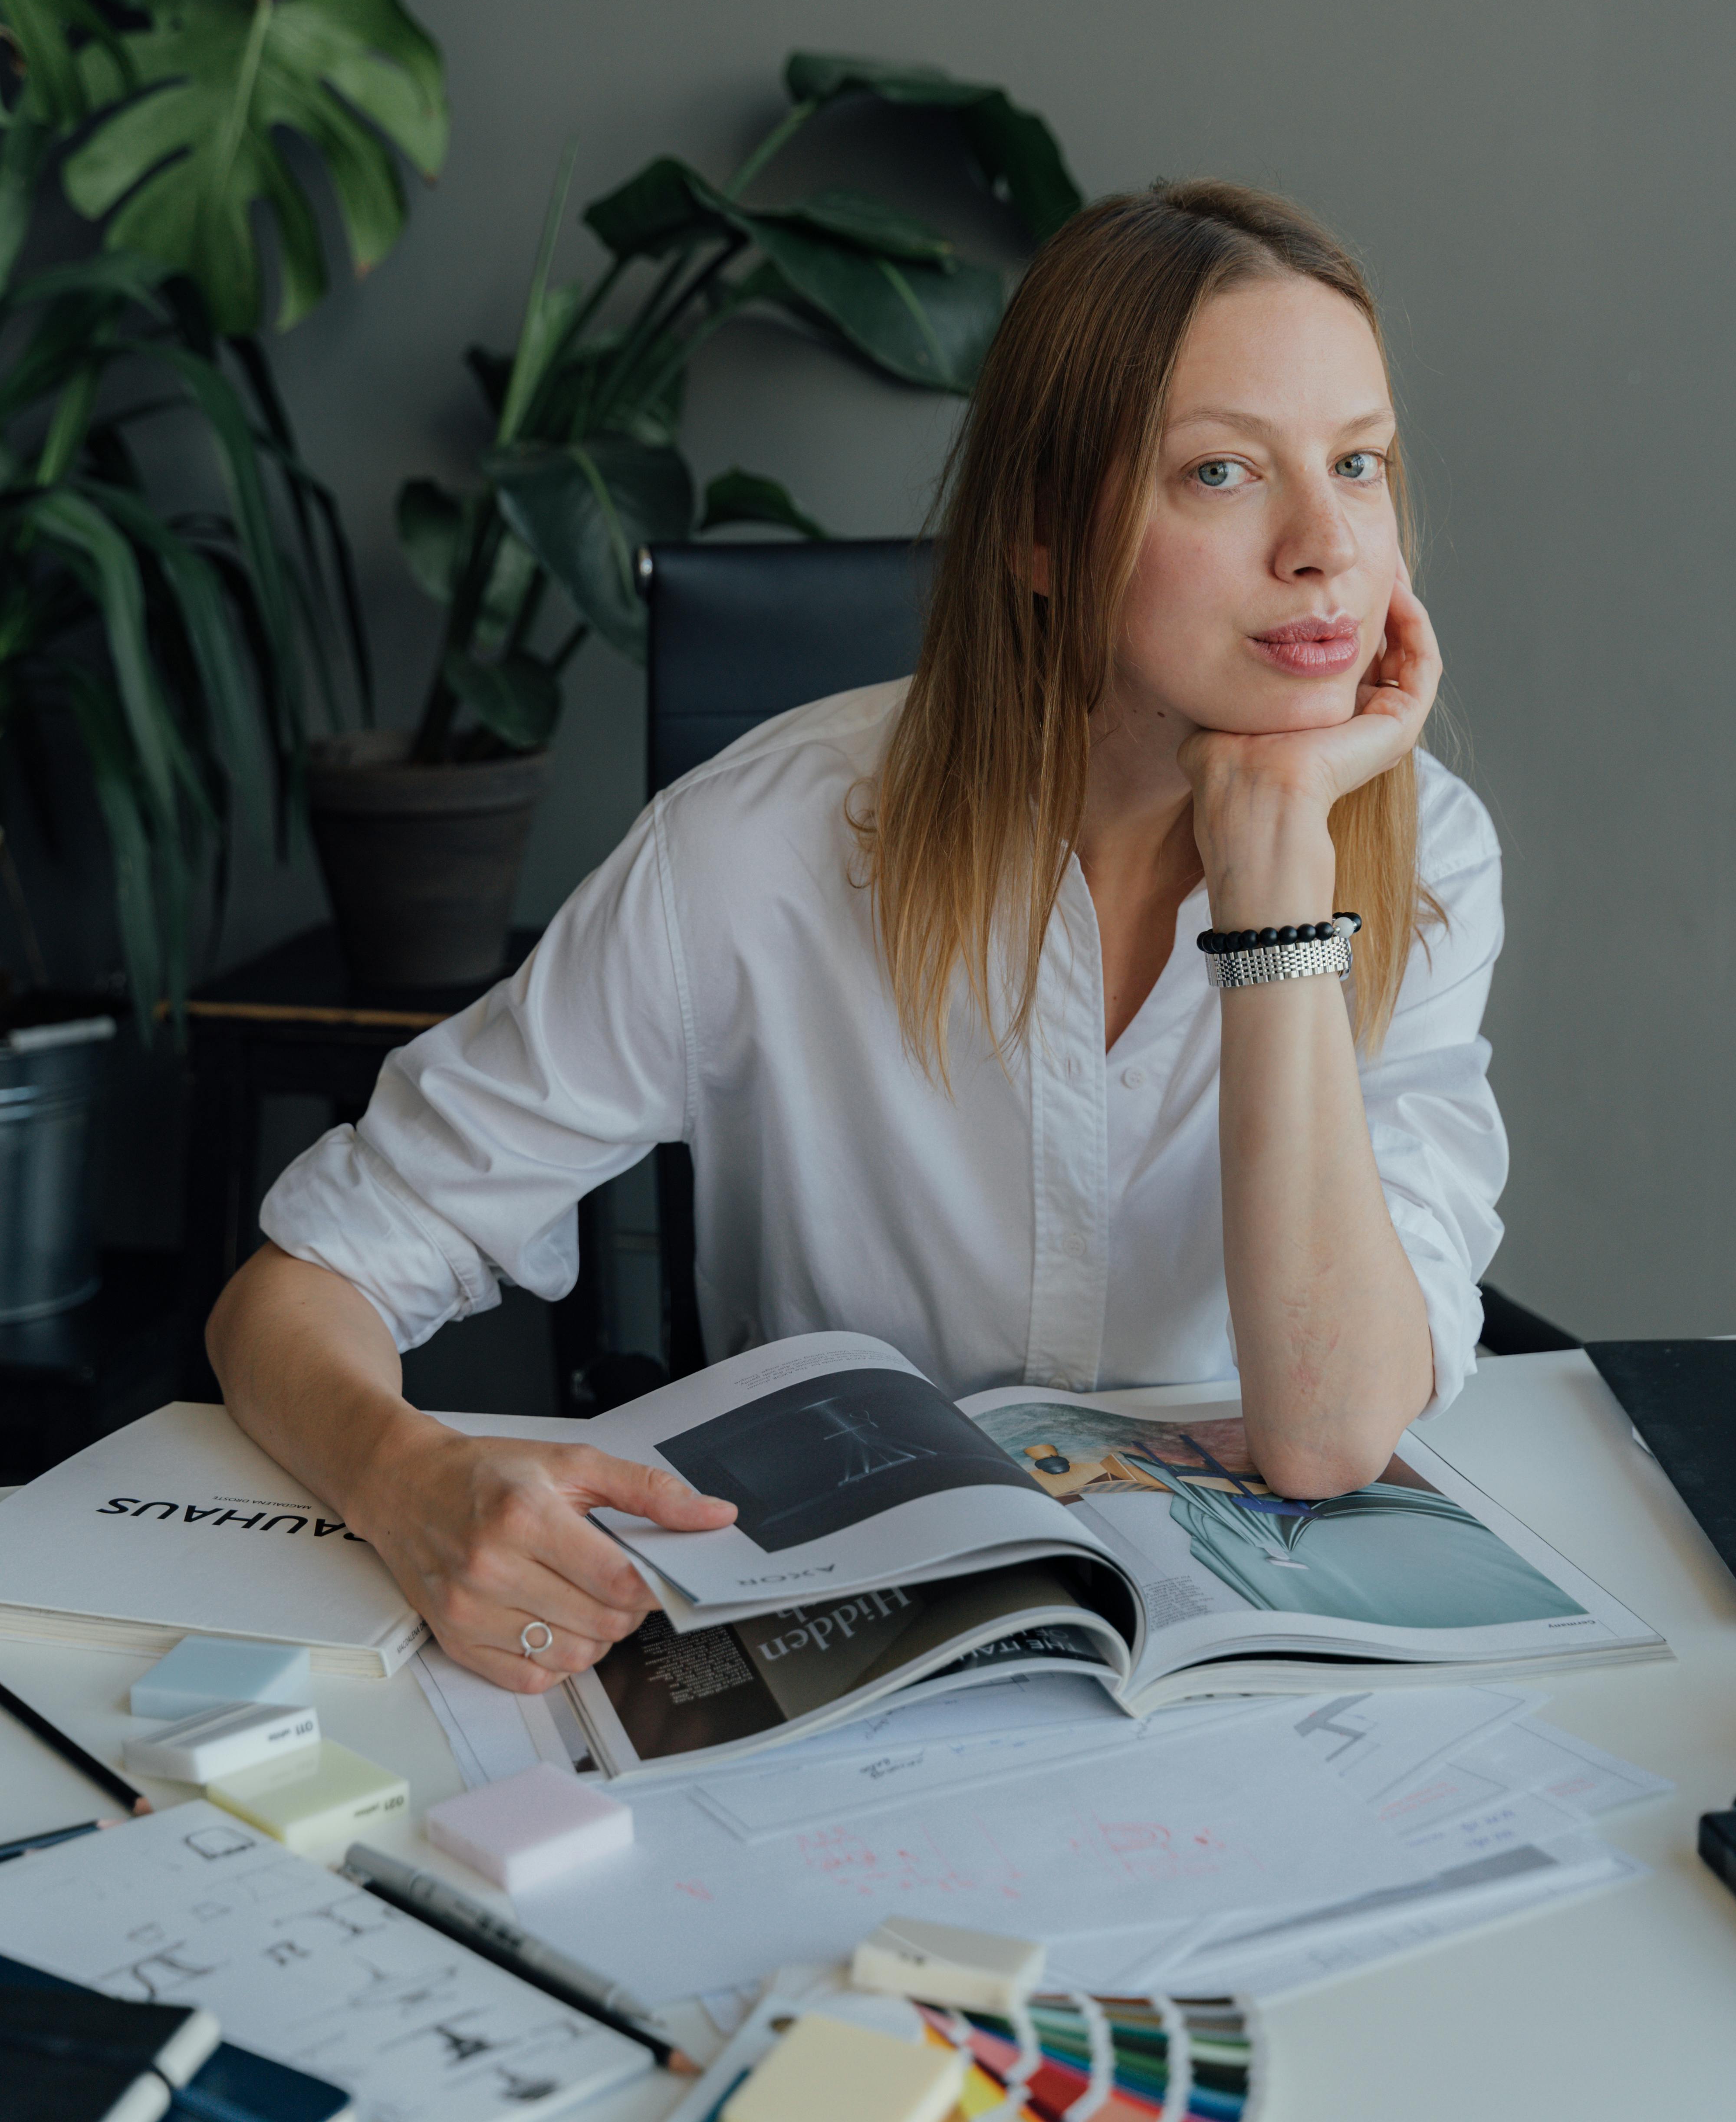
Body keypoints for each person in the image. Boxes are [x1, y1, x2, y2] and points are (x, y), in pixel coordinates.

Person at [207, 180, 1506, 1695]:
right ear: (1038, 533)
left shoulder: (1430, 856)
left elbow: (1331, 1434)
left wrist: (1279, 881)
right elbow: (293, 1293)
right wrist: (407, 1479)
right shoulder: (752, 850)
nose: (1326, 548)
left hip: (1260, 1683)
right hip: (856, 1665)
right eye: (1222, 473)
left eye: (1361, 463)